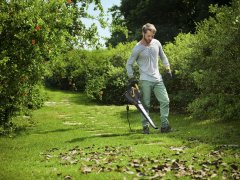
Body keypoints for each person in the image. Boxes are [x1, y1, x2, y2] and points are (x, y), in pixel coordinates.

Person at [126, 23, 172, 134]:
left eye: (152, 36)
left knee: (165, 101)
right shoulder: (137, 48)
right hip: (145, 79)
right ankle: (145, 128)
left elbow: (163, 56)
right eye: (148, 36)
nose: (150, 38)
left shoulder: (157, 43)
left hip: (158, 79)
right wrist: (131, 77)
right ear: (143, 33)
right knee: (145, 104)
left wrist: (168, 69)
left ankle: (165, 126)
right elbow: (129, 64)